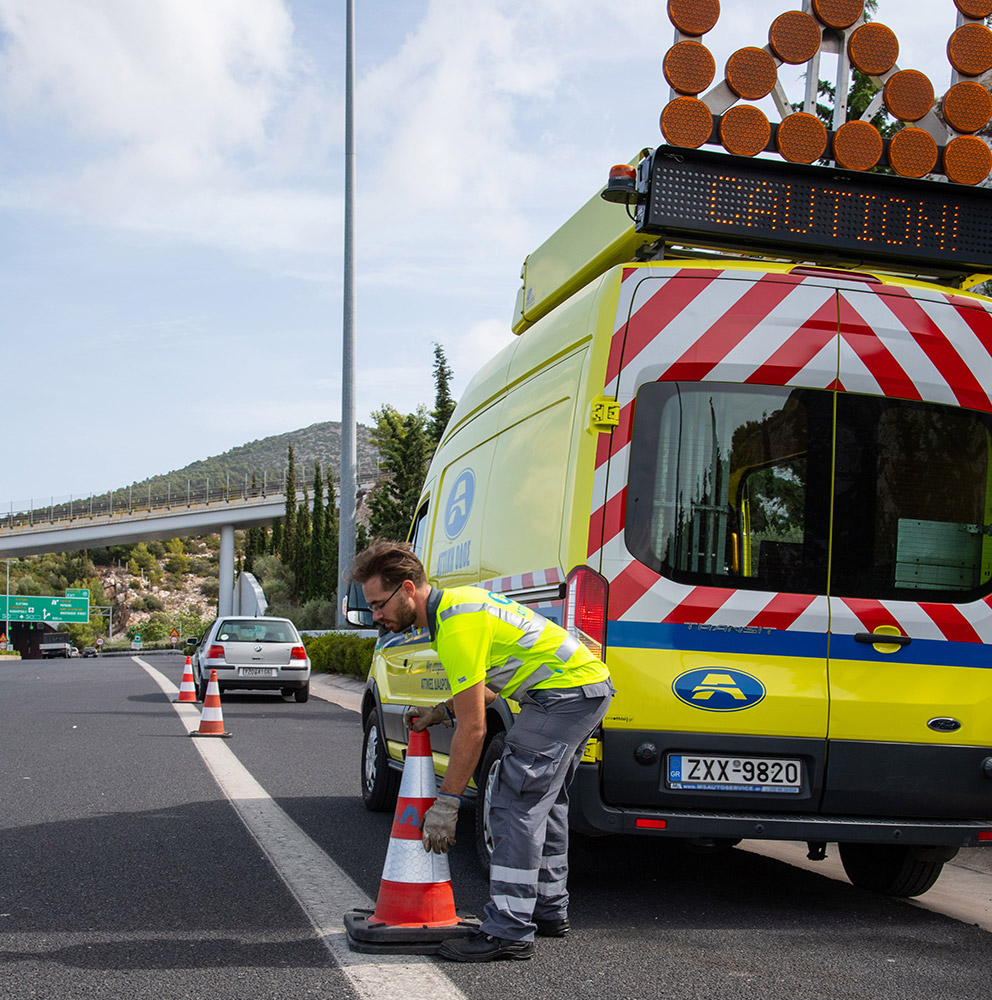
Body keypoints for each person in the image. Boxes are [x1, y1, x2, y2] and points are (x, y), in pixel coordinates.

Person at [349, 539, 613, 963]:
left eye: (379, 604)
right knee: (548, 802)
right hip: (583, 690)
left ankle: (508, 930)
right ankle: (547, 908)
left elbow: (473, 730)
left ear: (408, 590)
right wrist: (442, 711)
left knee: (513, 801)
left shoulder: (456, 627)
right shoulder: (459, 606)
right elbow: (486, 693)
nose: (376, 616)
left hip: (563, 696)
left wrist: (447, 803)